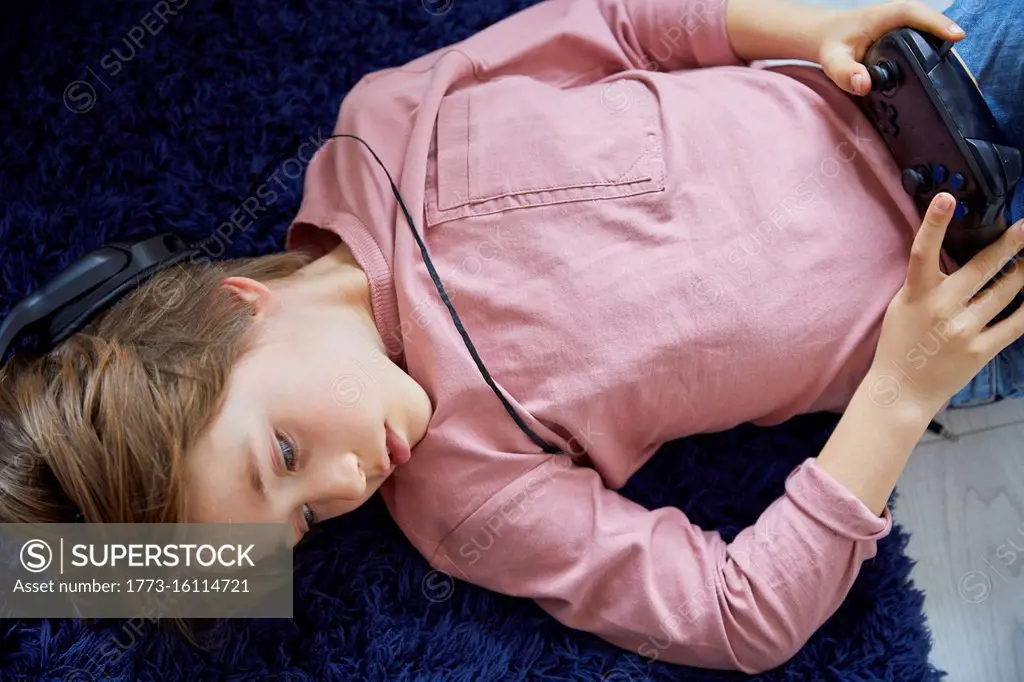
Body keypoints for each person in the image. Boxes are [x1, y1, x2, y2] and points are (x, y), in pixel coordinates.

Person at [1, 0, 1021, 673]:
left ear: (235, 305)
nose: (345, 485)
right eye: (306, 521)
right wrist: (903, 387)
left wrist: (811, 33)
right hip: (979, 300)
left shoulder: (390, 121)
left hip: (921, 80)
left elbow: (627, 27)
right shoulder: (463, 494)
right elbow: (733, 613)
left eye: (281, 454)